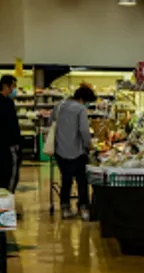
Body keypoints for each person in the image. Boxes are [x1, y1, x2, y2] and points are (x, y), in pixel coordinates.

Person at [50, 86, 96, 220]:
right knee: (82, 180)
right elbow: (84, 130)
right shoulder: (80, 109)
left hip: (60, 150)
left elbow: (51, 123)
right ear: (82, 99)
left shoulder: (59, 106)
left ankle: (65, 208)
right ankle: (84, 208)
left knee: (66, 179)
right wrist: (89, 144)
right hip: (77, 151)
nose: (87, 105)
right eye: (87, 102)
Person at [0, 75, 23, 194]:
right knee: (11, 174)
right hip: (8, 145)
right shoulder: (7, 103)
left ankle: (0, 197)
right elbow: (12, 124)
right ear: (5, 86)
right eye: (13, 86)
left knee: (0, 174)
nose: (14, 89)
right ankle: (8, 197)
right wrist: (16, 142)